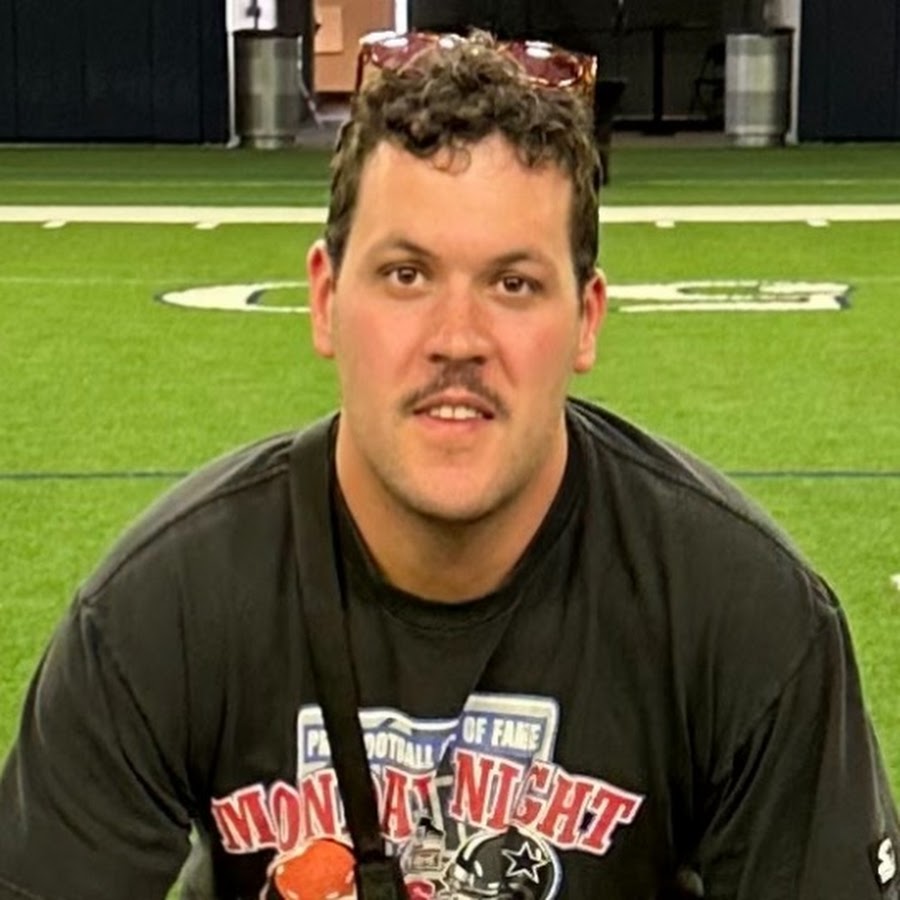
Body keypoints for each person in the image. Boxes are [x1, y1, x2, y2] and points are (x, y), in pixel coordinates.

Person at [0, 30, 897, 900]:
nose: (457, 339)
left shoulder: (746, 614)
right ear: (324, 299)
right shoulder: (162, 607)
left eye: (513, 284)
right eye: (406, 275)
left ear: (586, 321)